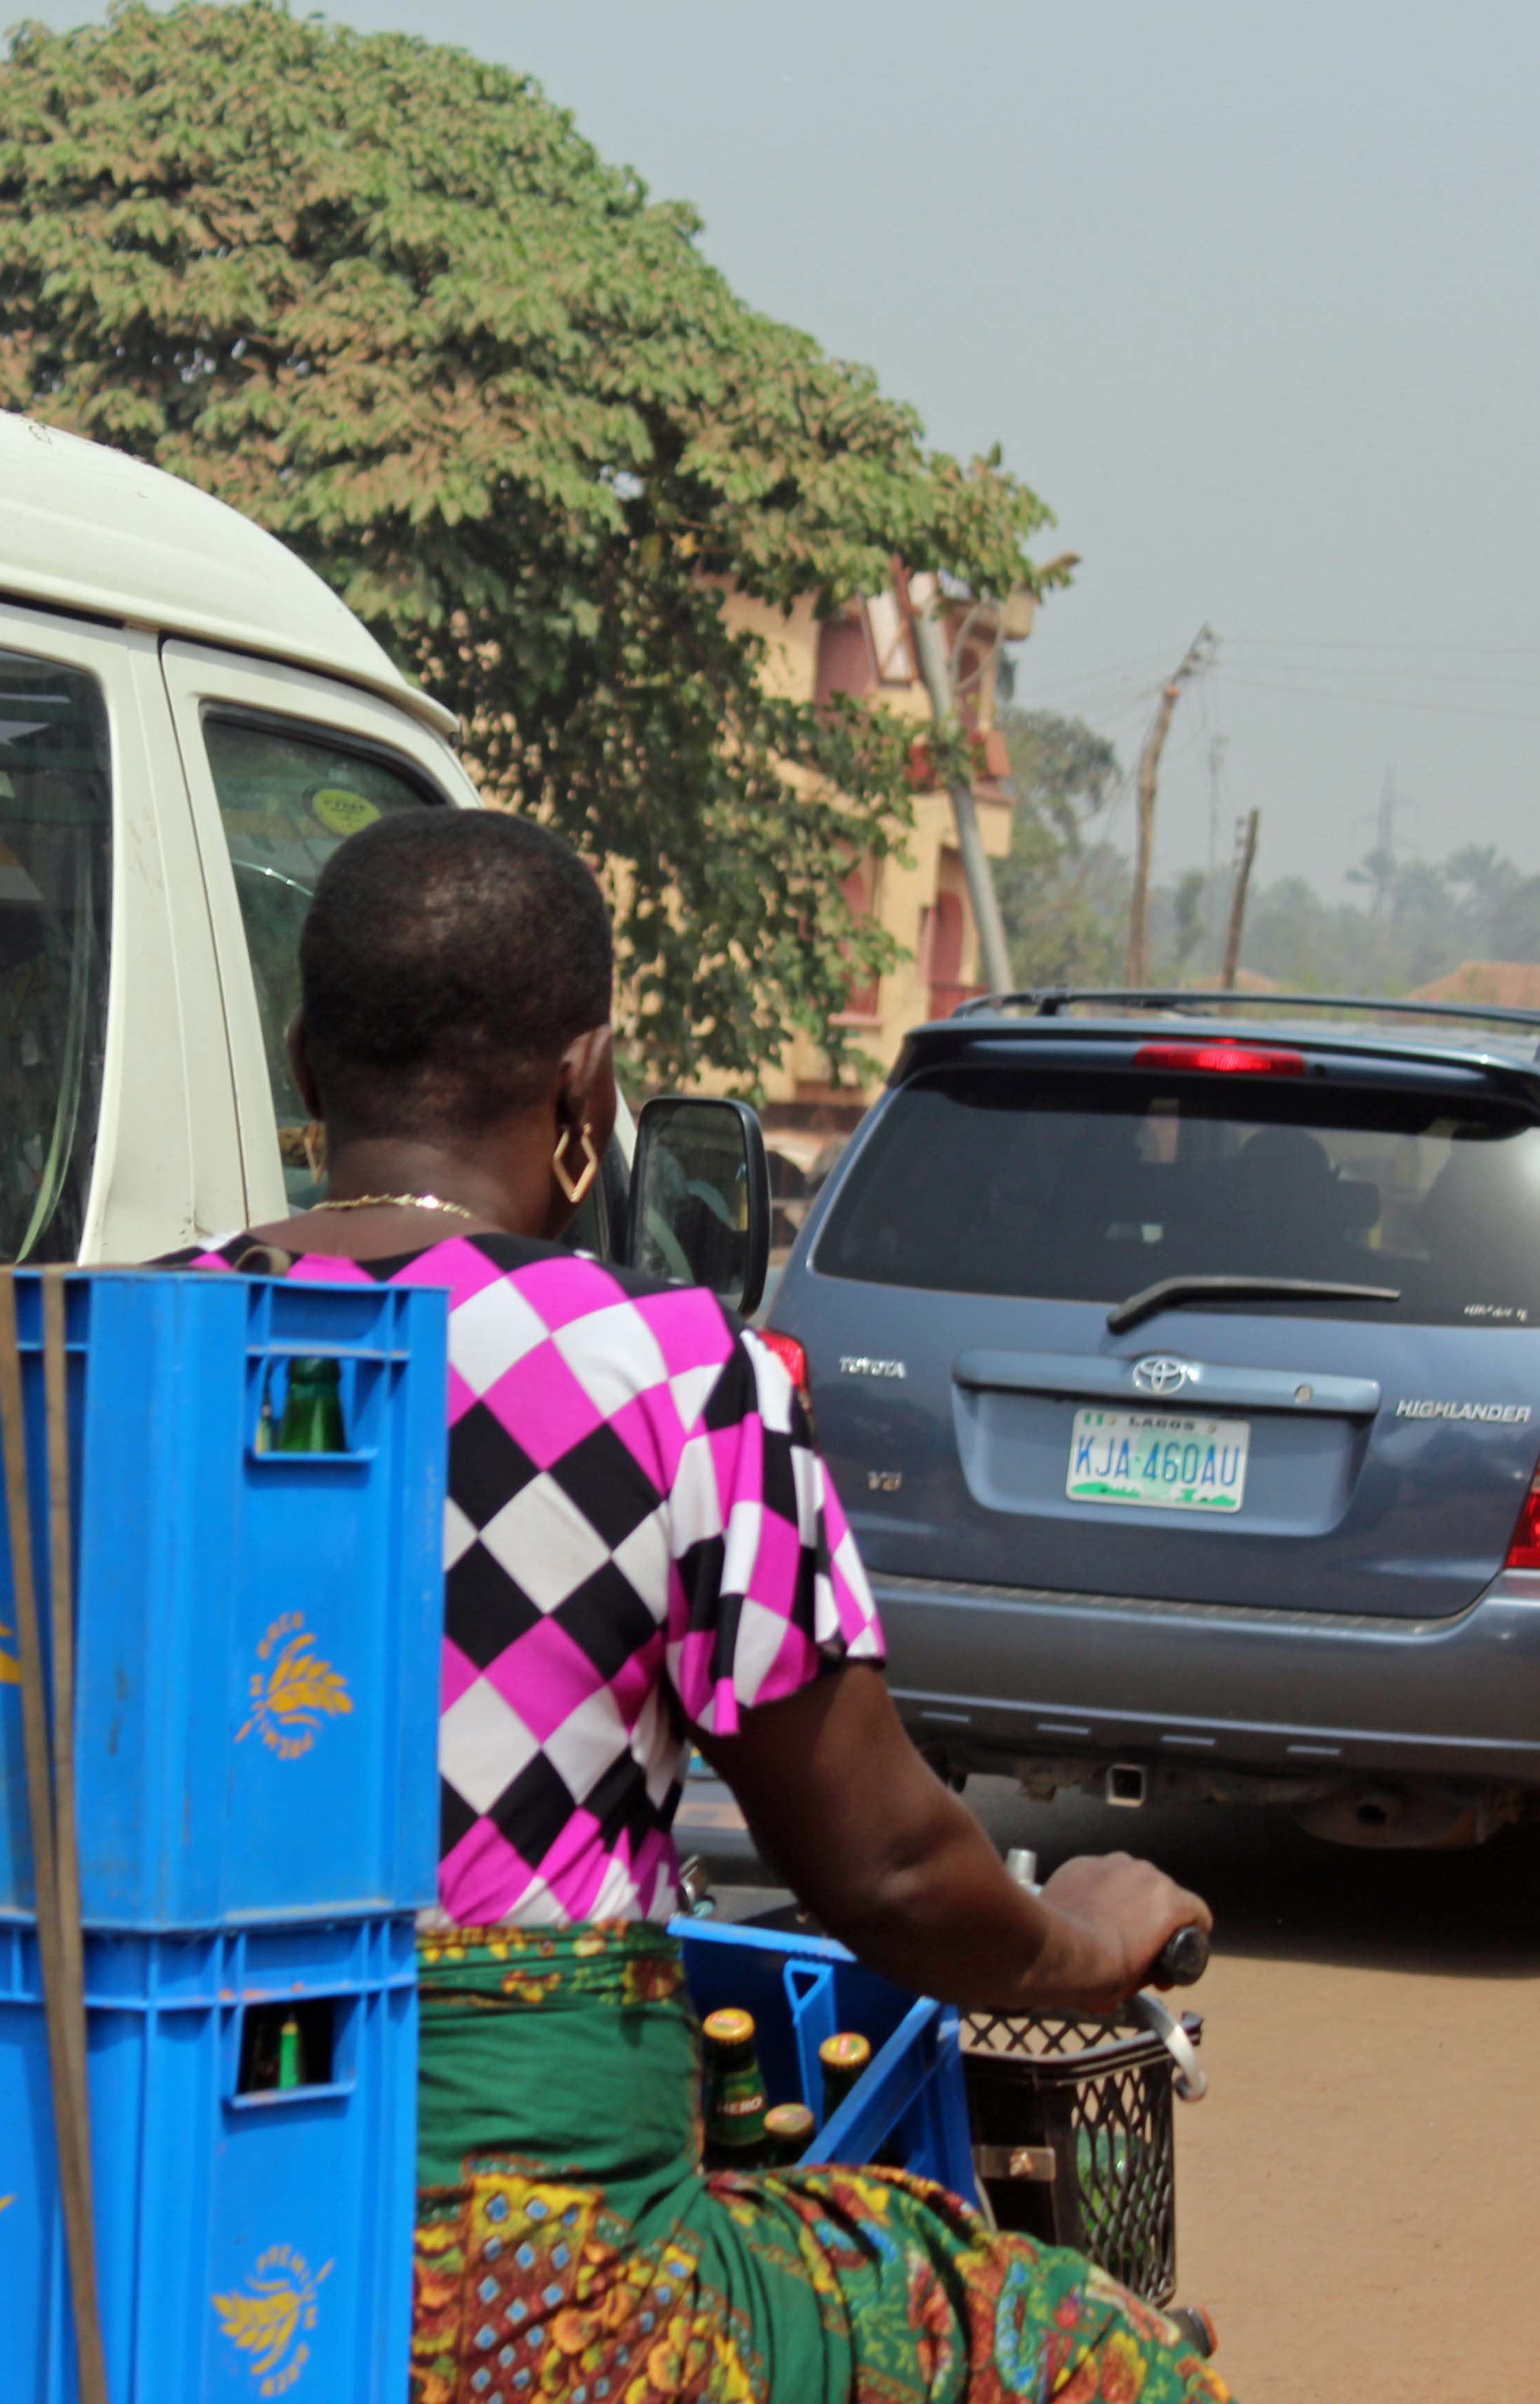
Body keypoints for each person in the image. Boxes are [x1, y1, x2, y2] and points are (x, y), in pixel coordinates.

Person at [168, 809, 1233, 2404]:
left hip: (134, 2217)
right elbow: (887, 1870)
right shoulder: (669, 1374)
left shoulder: (121, 1345)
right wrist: (1083, 1941)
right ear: (587, 1088)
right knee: (1081, 2350)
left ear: (307, 1064)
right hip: (516, 2281)